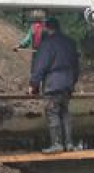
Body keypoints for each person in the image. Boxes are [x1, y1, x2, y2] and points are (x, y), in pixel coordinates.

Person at [29, 17, 80, 153]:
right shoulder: (70, 43)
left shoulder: (47, 44)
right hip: (67, 83)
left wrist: (33, 84)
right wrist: (72, 81)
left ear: (47, 28)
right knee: (64, 112)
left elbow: (40, 66)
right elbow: (76, 67)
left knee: (52, 112)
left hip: (53, 83)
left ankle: (57, 144)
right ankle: (69, 144)